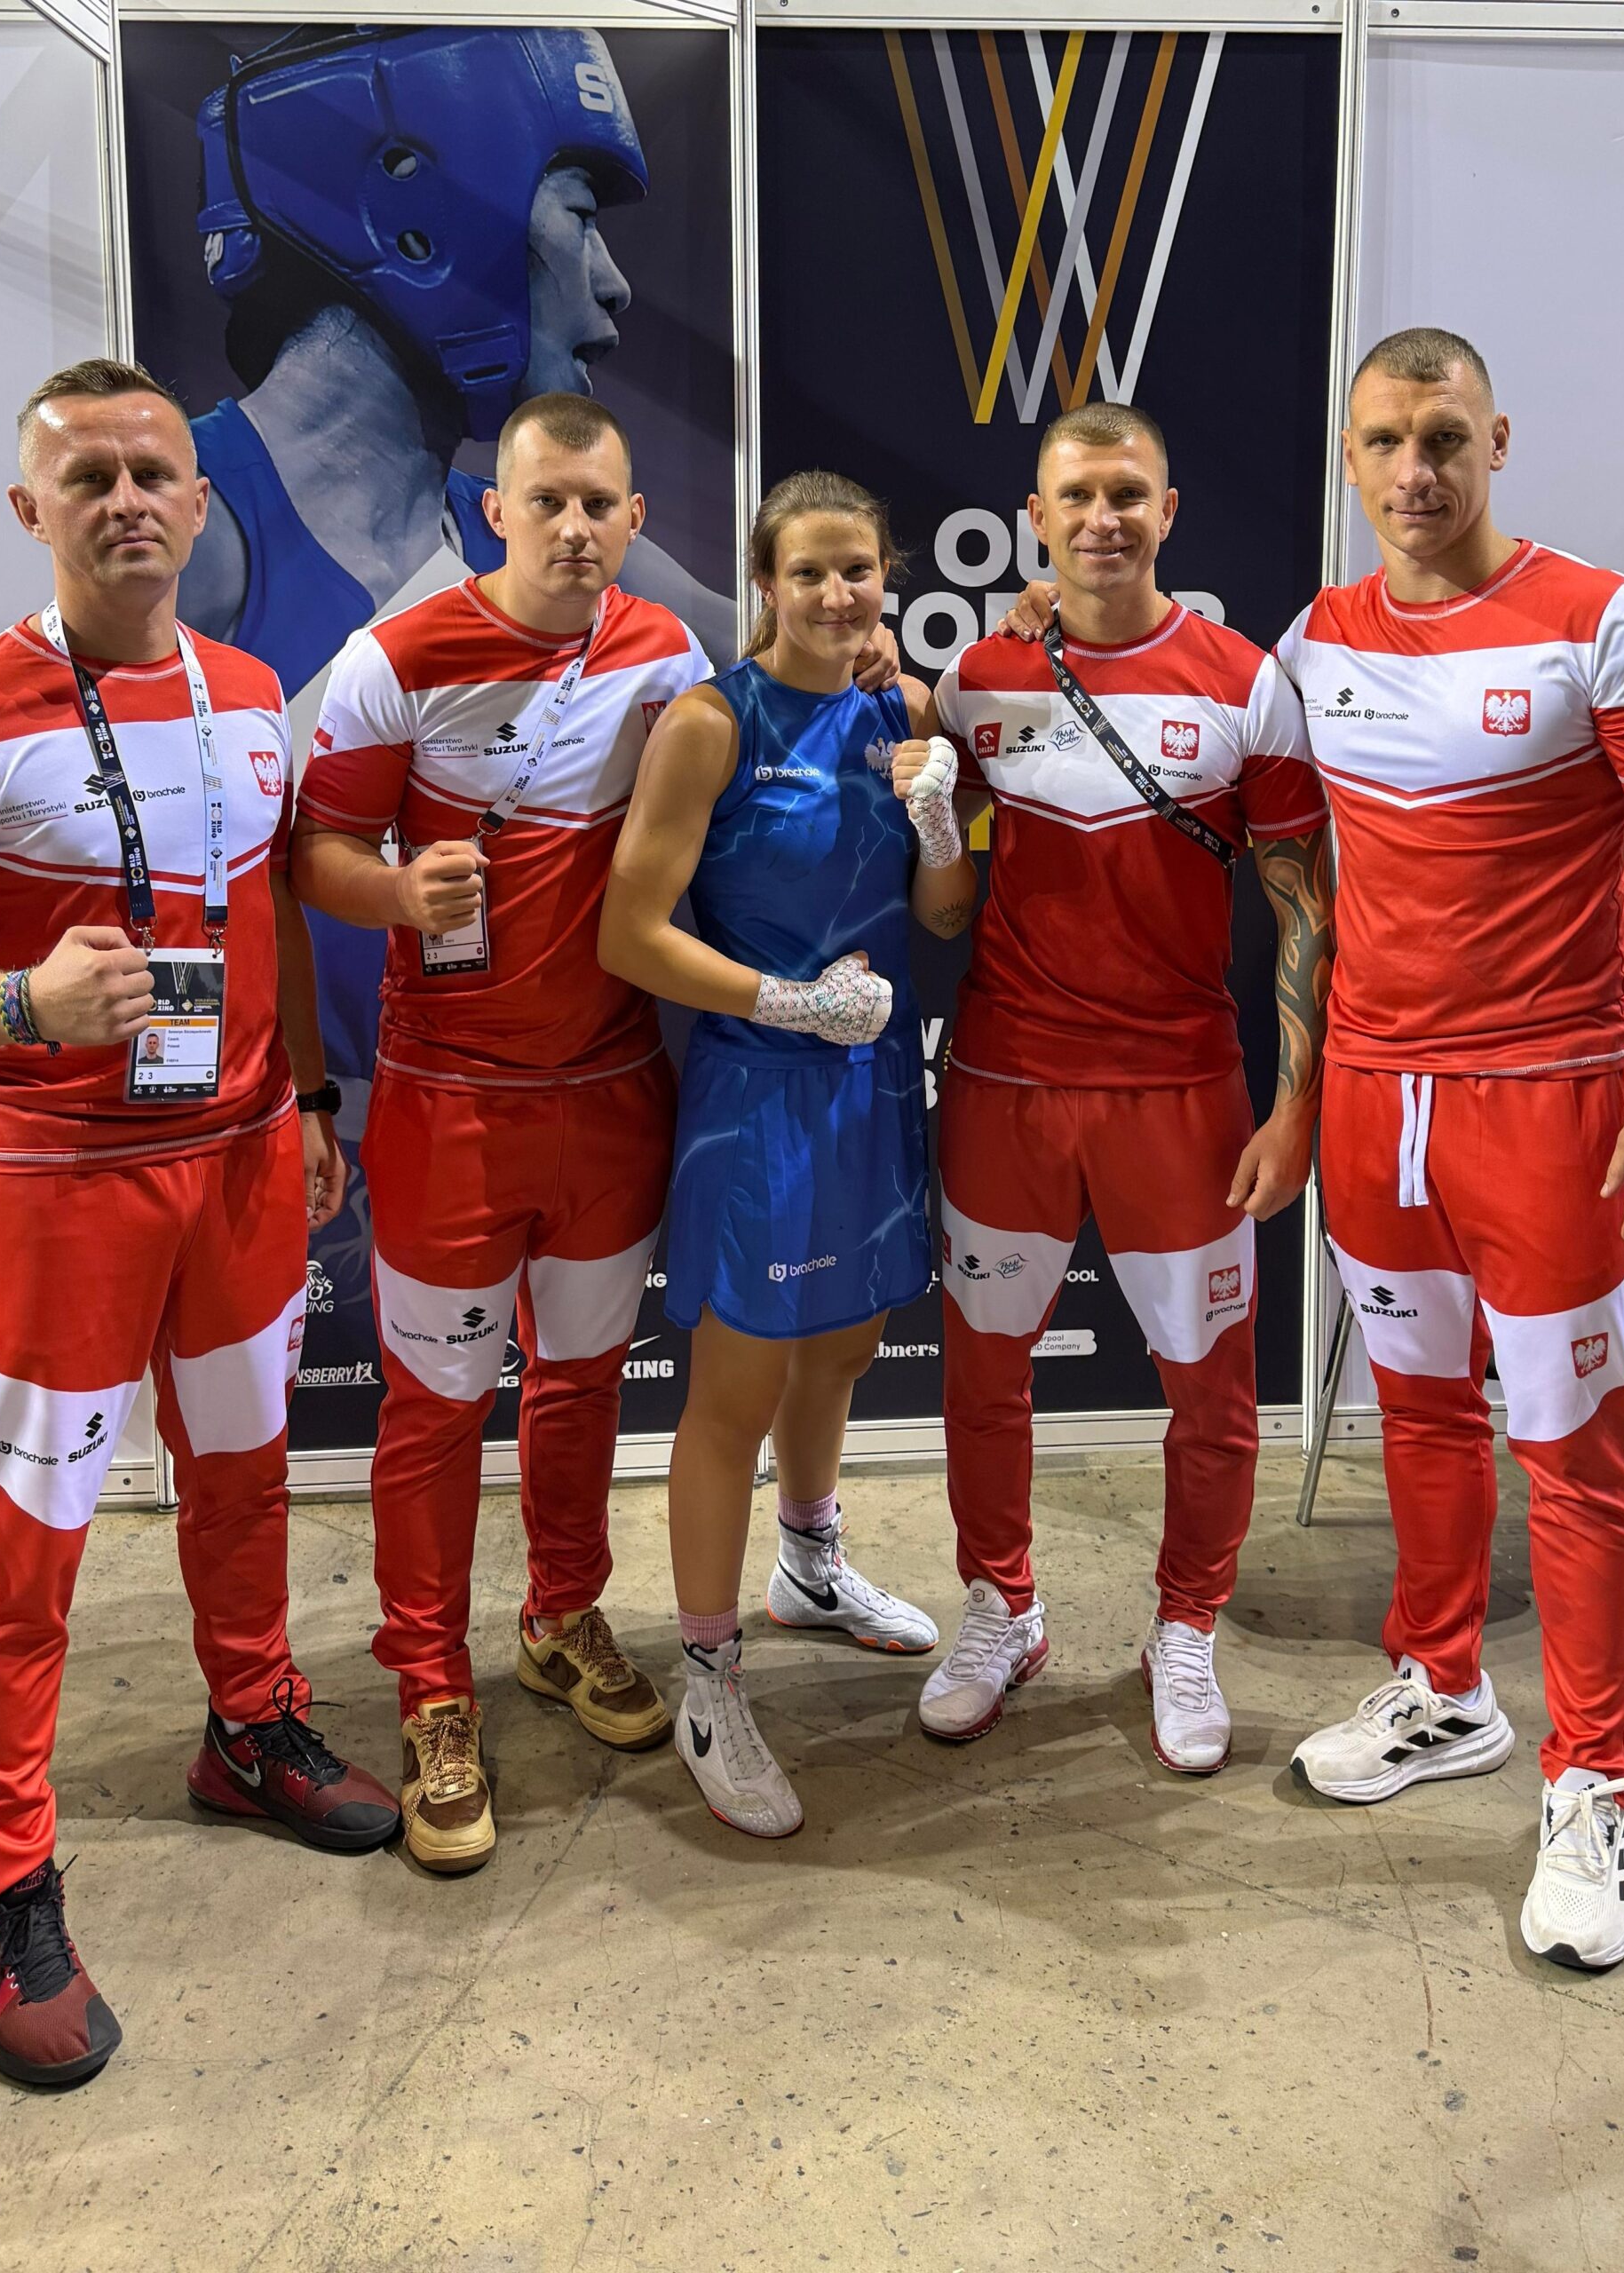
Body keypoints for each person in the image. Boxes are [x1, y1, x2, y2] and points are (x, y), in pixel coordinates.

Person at [0, 359, 400, 2090]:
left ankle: (251, 1726)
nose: (130, 500)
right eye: (91, 478)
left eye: (155, 471)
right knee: (23, 1555)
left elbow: (271, 904)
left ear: (201, 498)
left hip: (238, 1163)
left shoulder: (250, 692)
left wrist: (309, 1097)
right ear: (34, 509)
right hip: (55, 1190)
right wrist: (19, 1001)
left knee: (242, 1478)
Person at [292, 401, 907, 1872]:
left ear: (636, 519)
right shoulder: (395, 658)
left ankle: (561, 1616)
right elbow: (307, 857)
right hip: (450, 1103)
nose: (573, 528)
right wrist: (393, 897)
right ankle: (431, 1687)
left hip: (613, 1091)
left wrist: (885, 664)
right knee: (437, 1410)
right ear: (494, 510)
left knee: (577, 1385)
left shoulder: (669, 657)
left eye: (599, 504)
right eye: (547, 501)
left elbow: (775, 723)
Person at [1272, 329, 1624, 1968]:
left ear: (1496, 442)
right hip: (1375, 1098)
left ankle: (1593, 1777)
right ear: (1349, 457)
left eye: (1442, 438)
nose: (1412, 472)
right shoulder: (1318, 638)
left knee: (1571, 1449)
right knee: (1418, 1411)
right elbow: (1292, 866)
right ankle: (1441, 1690)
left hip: (1549, 1106)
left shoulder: (1600, 622)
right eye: (1382, 442)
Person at [922, 403, 1335, 1777]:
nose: (1101, 517)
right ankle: (1001, 1608)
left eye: (1126, 493)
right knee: (983, 1375)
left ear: (1168, 511)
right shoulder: (975, 678)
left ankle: (1185, 1627)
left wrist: (1296, 1102)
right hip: (1003, 1085)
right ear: (1033, 517)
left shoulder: (1243, 681)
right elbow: (939, 896)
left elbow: (1304, 907)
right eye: (1075, 495)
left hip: (1179, 1095)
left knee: (1210, 1393)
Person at [598, 471, 975, 1837]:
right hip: (759, 1092)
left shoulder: (901, 709)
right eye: (806, 572)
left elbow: (942, 915)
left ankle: (809, 1563)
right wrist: (785, 1003)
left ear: (886, 577)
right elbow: (627, 933)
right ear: (764, 581)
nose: (833, 595)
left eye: (855, 570)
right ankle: (705, 1676)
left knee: (845, 1342)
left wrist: (938, 818)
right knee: (734, 1391)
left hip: (872, 1084)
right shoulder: (711, 724)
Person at [176, 25, 730, 694]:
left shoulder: (524, 530)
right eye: (581, 215)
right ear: (415, 218)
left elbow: (790, 654)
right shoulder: (175, 520)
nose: (615, 284)